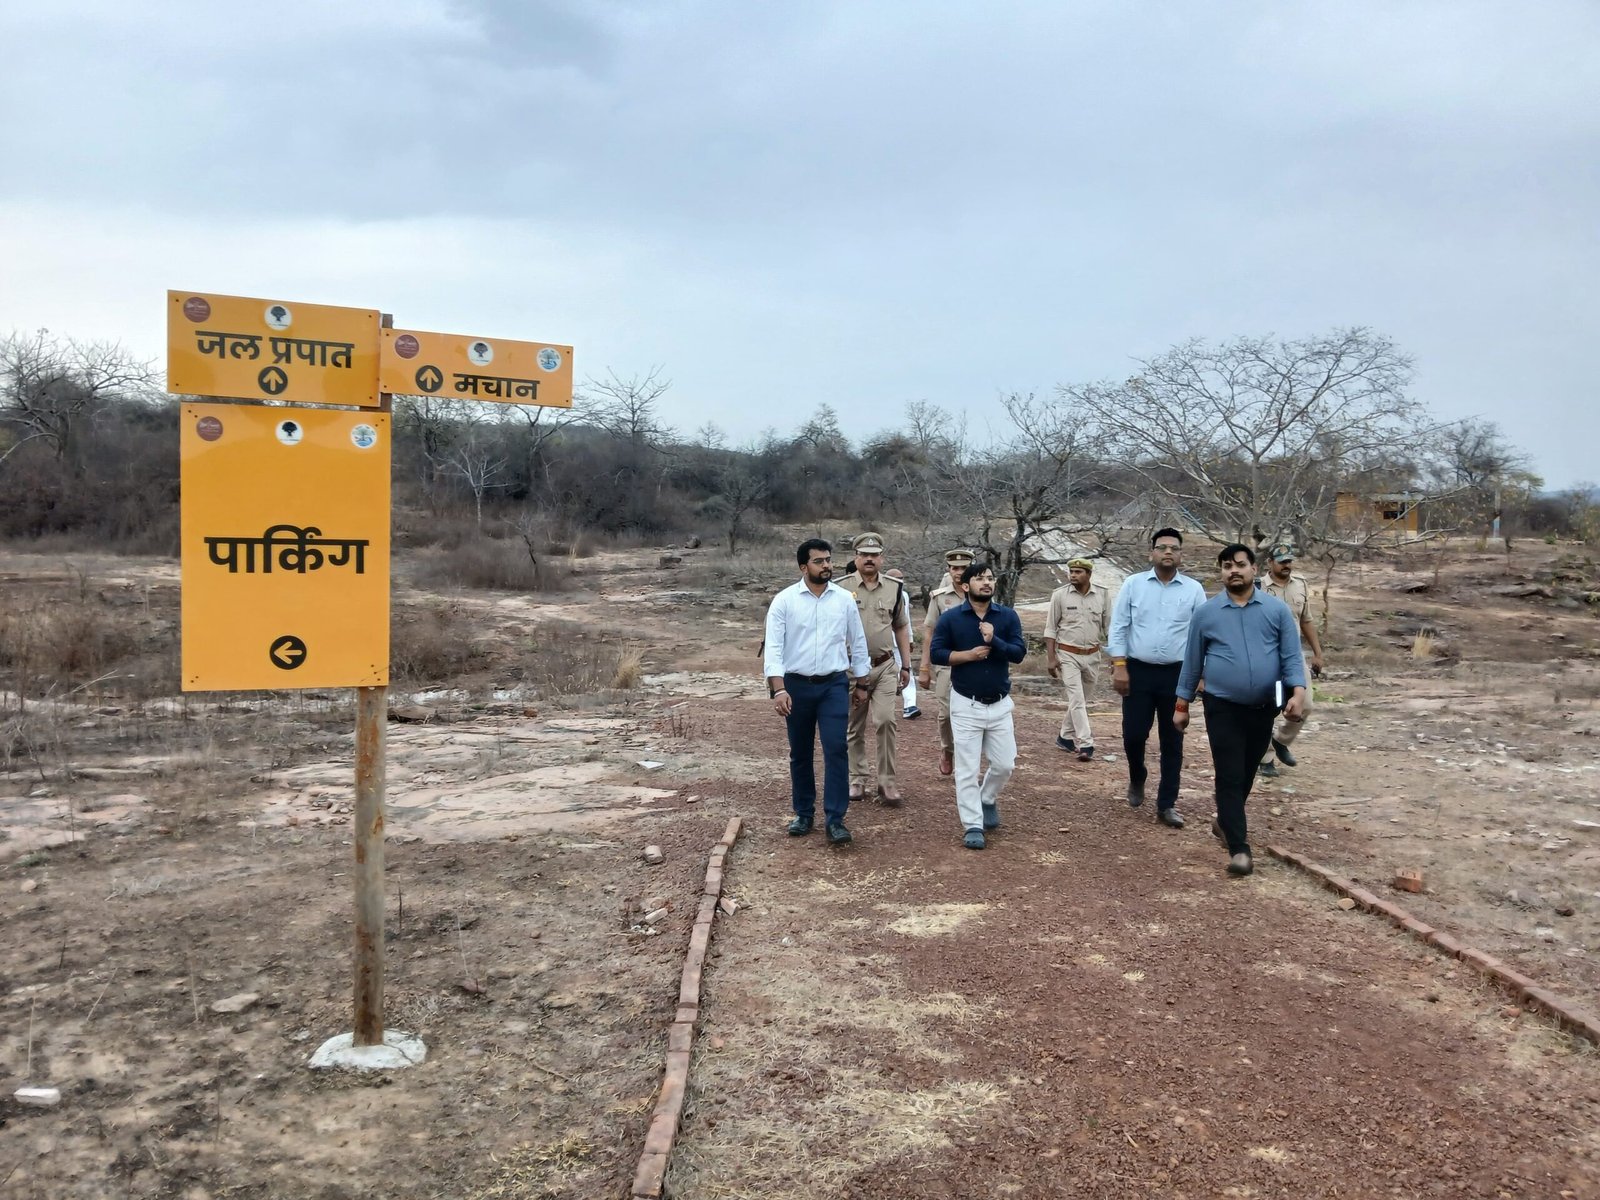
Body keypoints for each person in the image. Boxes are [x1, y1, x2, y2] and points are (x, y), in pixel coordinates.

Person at [1174, 544, 1308, 876]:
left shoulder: (1276, 611)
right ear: (1221, 573)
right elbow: (1192, 663)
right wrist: (1182, 705)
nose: (1233, 570)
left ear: (1253, 568)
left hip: (1263, 707)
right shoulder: (1207, 614)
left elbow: (1291, 656)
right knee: (1230, 773)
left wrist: (1298, 692)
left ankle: (1225, 821)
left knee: (1247, 771)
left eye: (1240, 564)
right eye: (1226, 566)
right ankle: (1239, 849)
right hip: (1222, 706)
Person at [763, 538, 872, 845]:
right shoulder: (784, 601)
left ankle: (835, 819)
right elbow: (773, 648)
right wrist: (778, 689)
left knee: (836, 747)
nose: (826, 566)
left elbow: (858, 641)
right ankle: (804, 813)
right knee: (800, 751)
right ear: (803, 567)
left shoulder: (844, 599)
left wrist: (862, 683)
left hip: (833, 684)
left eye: (828, 560)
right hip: (796, 685)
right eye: (819, 561)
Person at [1106, 528, 1207, 829]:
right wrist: (1119, 665)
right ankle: (1137, 775)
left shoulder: (1194, 590)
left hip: (1177, 675)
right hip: (1137, 671)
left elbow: (1202, 635)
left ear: (1181, 555)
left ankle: (1167, 804)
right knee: (1134, 734)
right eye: (1162, 547)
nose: (1168, 552)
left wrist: (1200, 674)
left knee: (1173, 738)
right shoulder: (1133, 584)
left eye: (1174, 548)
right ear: (1151, 552)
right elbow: (1119, 626)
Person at [929, 562, 1027, 849]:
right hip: (965, 703)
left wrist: (994, 640)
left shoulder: (1007, 616)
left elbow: (1018, 654)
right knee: (967, 768)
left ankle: (987, 798)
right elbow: (937, 653)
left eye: (990, 578)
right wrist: (968, 656)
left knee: (1005, 764)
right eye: (980, 578)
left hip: (1000, 704)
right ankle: (972, 824)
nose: (986, 582)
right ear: (965, 586)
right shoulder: (951, 618)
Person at [837, 533, 914, 805]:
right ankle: (857, 779)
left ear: (882, 558)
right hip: (851, 670)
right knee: (854, 725)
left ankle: (887, 782)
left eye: (874, 555)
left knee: (885, 721)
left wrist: (906, 666)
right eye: (864, 554)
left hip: (884, 666)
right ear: (856, 557)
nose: (869, 559)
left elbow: (901, 626)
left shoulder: (894, 588)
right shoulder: (840, 588)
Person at [1256, 544, 1325, 778]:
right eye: (1281, 561)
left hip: (1293, 655)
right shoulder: (1258, 588)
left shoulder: (1300, 584)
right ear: (1270, 563)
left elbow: (1306, 620)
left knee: (1305, 704)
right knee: (1267, 708)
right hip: (1266, 656)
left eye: (1289, 561)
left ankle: (1281, 741)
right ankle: (1265, 759)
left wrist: (1317, 652)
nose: (1286, 565)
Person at [1044, 556, 1112, 762]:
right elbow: (1050, 629)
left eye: (1078, 572)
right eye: (1071, 572)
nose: (1073, 575)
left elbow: (1110, 628)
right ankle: (1086, 743)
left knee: (1081, 700)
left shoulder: (1102, 594)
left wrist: (1115, 658)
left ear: (1088, 574)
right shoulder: (1060, 595)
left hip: (1092, 656)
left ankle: (1064, 737)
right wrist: (1051, 658)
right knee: (1076, 699)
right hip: (1068, 655)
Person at [917, 548, 973, 776]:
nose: (959, 572)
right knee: (947, 713)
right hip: (947, 662)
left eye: (963, 568)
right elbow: (929, 633)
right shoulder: (940, 597)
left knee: (972, 712)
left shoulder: (981, 592)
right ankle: (948, 750)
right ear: (948, 570)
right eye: (954, 568)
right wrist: (924, 667)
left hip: (975, 662)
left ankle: (967, 759)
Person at [886, 568, 921, 718]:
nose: (900, 582)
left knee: (906, 670)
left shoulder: (904, 595)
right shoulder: (882, 593)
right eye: (896, 579)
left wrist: (910, 639)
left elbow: (906, 621)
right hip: (881, 643)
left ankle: (910, 705)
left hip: (899, 642)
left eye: (901, 578)